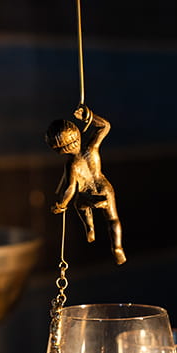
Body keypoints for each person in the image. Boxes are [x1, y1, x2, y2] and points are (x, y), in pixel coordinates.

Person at [44, 104, 126, 265]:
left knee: (79, 203)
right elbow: (104, 126)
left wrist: (61, 205)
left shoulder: (72, 165)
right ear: (77, 134)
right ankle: (117, 247)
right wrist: (89, 117)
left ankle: (90, 227)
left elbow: (71, 188)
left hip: (87, 193)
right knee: (113, 219)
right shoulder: (91, 148)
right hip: (104, 187)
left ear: (59, 149)